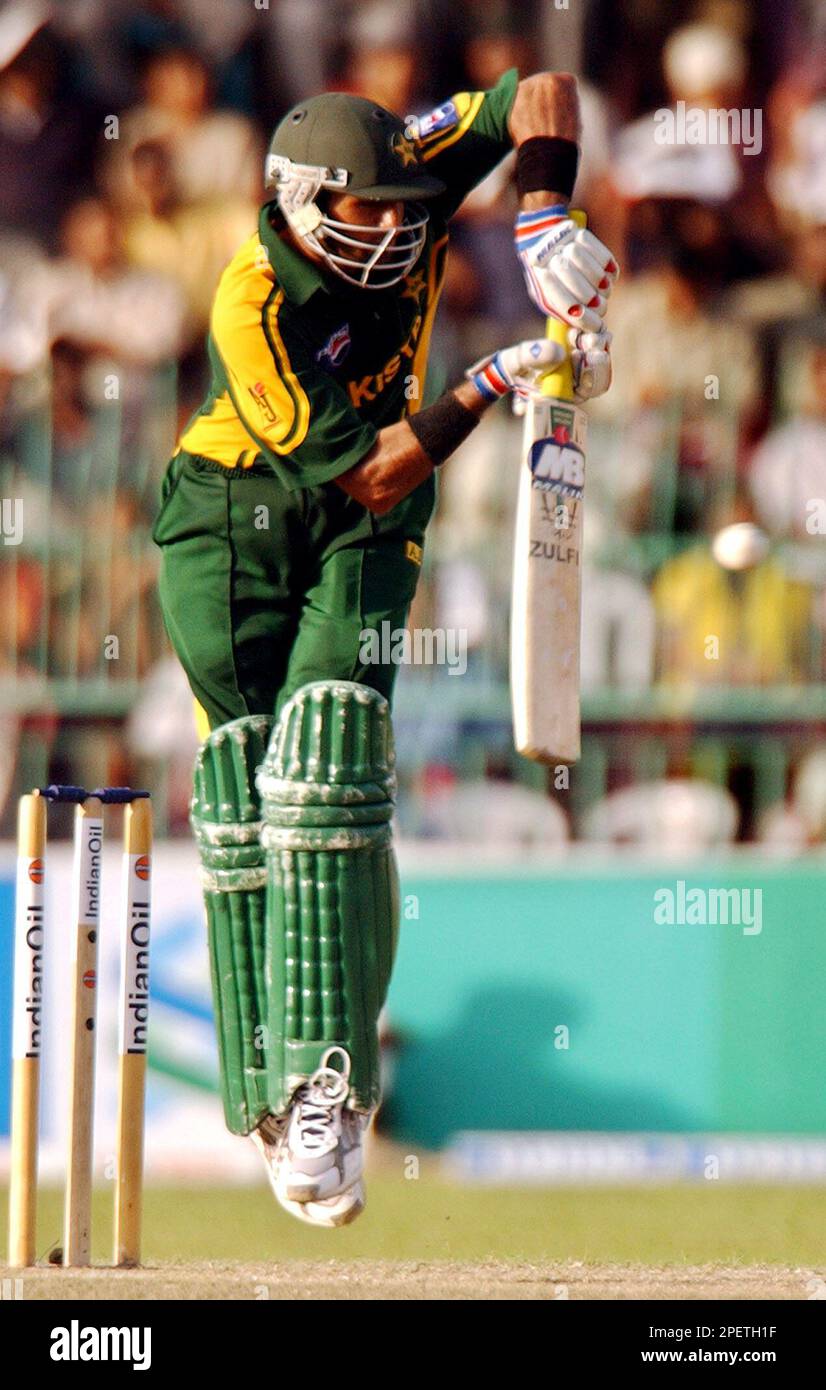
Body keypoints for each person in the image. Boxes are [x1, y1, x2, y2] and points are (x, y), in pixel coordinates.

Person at [153, 66, 619, 1227]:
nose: (401, 228)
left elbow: (544, 91)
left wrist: (544, 208)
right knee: (247, 784)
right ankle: (265, 1086)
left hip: (374, 518)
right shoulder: (251, 302)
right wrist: (499, 373)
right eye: (372, 214)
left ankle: (327, 1082)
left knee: (337, 760)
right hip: (237, 516)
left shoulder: (401, 169)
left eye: (412, 209)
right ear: (309, 203)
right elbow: (366, 465)